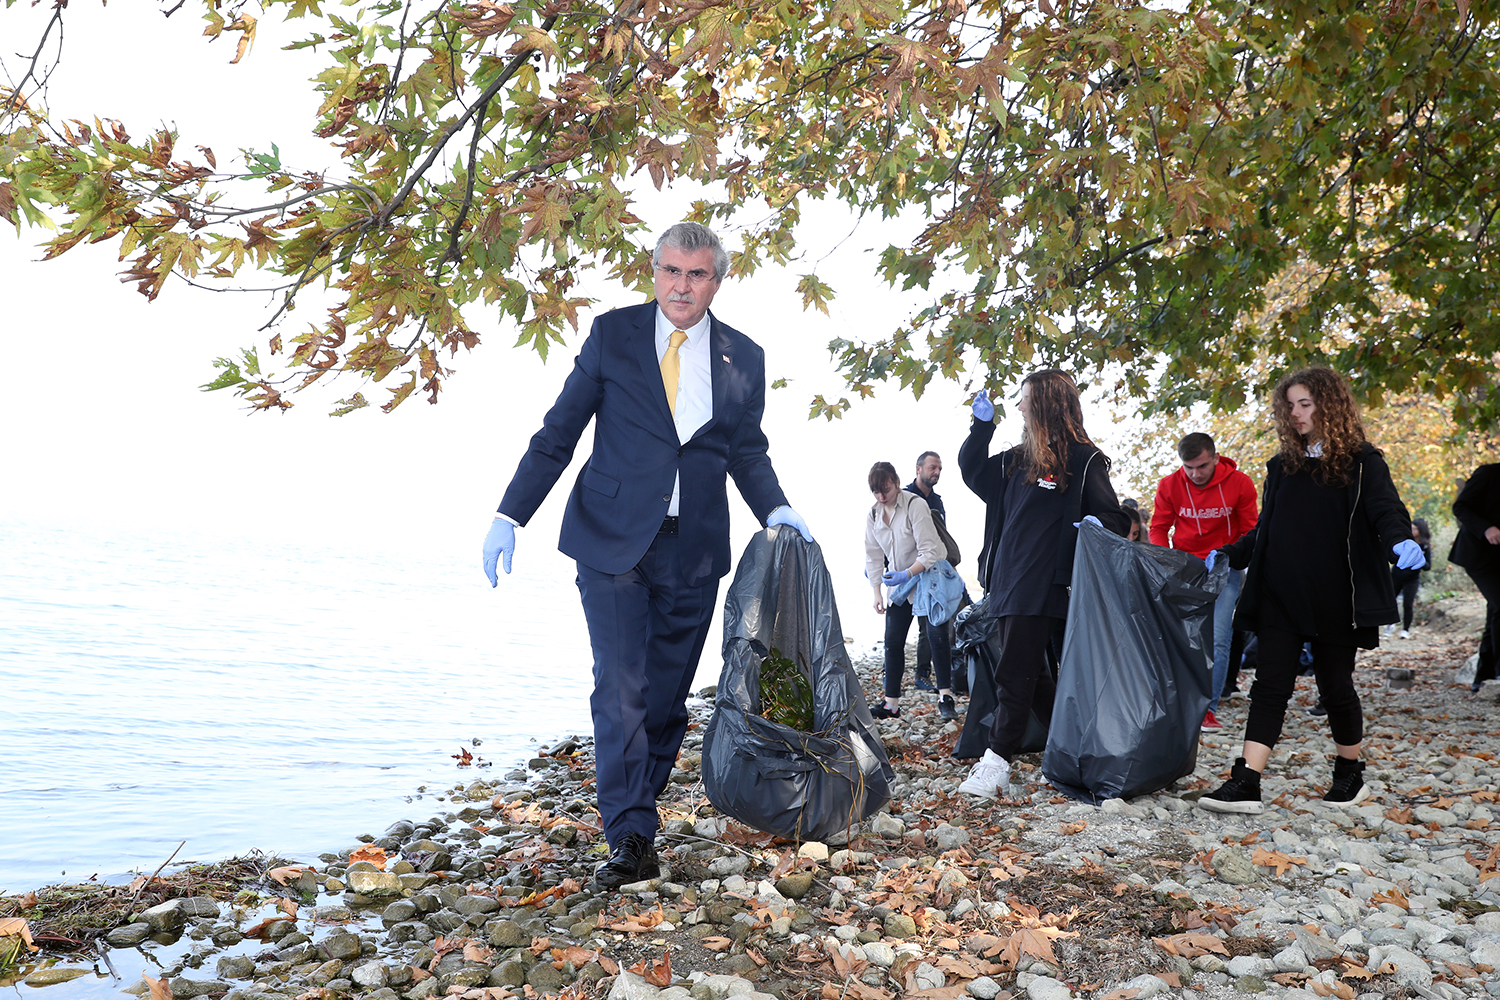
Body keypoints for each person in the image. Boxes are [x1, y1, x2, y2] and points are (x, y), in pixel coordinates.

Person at [480, 222, 812, 890]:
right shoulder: (613, 335)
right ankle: (630, 832)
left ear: (717, 281)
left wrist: (775, 506)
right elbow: (559, 432)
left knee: (664, 700)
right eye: (670, 271)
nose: (680, 287)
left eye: (696, 275)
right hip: (609, 538)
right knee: (620, 685)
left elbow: (747, 451)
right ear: (652, 270)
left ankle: (640, 806)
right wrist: (509, 513)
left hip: (693, 548)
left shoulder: (743, 357)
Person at [1198, 367, 1420, 814]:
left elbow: (1385, 510)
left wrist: (1401, 540)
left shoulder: (1364, 461)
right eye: (1291, 405)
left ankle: (1349, 773)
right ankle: (1247, 781)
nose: (1296, 414)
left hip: (1337, 596)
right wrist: (1231, 552)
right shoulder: (1283, 466)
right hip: (1280, 591)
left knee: (1334, 685)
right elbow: (1268, 528)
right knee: (1269, 685)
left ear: (1329, 405)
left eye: (1306, 404)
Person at [955, 369, 1130, 797]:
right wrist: (981, 427)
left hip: (1046, 580)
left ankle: (996, 761)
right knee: (1033, 672)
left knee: (1014, 671)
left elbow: (1116, 516)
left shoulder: (1084, 459)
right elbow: (972, 470)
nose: (1018, 407)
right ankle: (1077, 751)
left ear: (1047, 403)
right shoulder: (1017, 459)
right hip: (1007, 576)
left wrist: (1094, 523)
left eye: (1025, 399)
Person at [1149, 433, 1259, 733]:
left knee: (1219, 637)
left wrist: (1232, 556)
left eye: (1202, 466)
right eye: (1189, 467)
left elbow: (1251, 529)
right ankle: (1178, 700)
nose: (1195, 474)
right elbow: (1158, 527)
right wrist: (1166, 559)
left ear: (1215, 458)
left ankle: (1208, 709)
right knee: (1184, 635)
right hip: (1185, 568)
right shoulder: (1169, 485)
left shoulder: (1240, 484)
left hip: (1225, 566)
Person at [866, 461, 958, 721]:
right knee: (893, 642)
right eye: (876, 492)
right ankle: (891, 704)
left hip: (927, 576)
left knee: (936, 636)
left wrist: (907, 573)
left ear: (896, 482)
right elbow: (873, 556)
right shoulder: (874, 514)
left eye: (885, 489)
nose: (882, 496)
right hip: (899, 584)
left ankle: (945, 697)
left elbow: (930, 550)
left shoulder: (915, 505)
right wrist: (877, 592)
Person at [1449, 463, 1500, 692]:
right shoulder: (1489, 473)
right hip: (1478, 556)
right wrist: (1487, 528)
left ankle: (1483, 676)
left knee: (1495, 610)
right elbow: (1460, 507)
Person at [905, 452, 949, 691]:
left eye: (939, 469)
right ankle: (888, 674)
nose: (937, 472)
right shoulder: (903, 497)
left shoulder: (937, 502)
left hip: (931, 571)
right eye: (933, 468)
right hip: (905, 570)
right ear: (918, 469)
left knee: (927, 625)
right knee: (897, 629)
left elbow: (942, 535)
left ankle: (922, 675)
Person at [1386, 519, 1432, 639]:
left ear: (1420, 530)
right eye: (1410, 528)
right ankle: (1390, 624)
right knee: (1390, 600)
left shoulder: (1425, 547)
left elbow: (1428, 566)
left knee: (1408, 603)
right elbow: (1394, 557)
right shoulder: (1405, 543)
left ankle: (1405, 630)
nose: (1412, 531)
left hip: (1412, 579)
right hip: (1396, 576)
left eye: (1414, 528)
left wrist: (1419, 558)